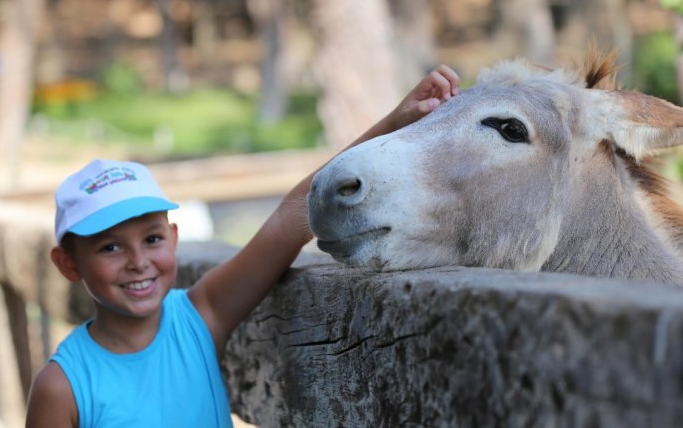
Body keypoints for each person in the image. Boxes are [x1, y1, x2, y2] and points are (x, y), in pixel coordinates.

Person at [24, 65, 460, 428]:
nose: (139, 262)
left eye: (152, 239)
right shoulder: (62, 388)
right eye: (109, 248)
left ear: (173, 239)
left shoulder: (199, 320)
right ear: (68, 264)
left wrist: (394, 122)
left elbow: (290, 217)